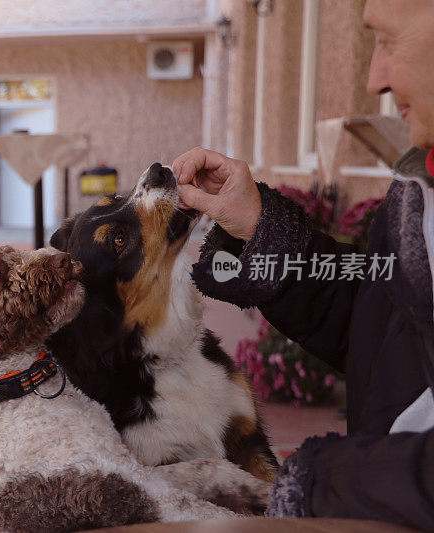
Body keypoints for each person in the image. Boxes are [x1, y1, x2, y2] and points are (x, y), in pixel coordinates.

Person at [171, 0, 434, 529]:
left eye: (387, 40)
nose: (373, 79)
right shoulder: (419, 186)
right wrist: (259, 226)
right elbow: (379, 319)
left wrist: (325, 481)